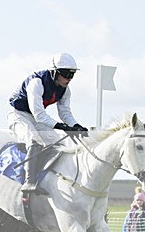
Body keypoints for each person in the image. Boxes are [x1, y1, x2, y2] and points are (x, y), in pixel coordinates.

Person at [8, 52, 89, 195]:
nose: (69, 78)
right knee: (34, 141)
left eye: (72, 75)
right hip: (18, 114)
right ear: (54, 72)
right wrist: (61, 126)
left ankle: (48, 178)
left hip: (35, 118)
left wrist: (75, 126)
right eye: (65, 74)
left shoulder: (65, 90)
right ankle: (29, 181)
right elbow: (39, 114)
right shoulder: (36, 83)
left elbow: (65, 113)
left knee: (58, 144)